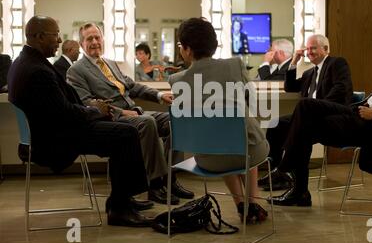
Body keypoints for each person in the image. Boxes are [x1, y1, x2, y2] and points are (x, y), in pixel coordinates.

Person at [7, 16, 153, 227]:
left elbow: (58, 108)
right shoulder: (37, 70)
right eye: (55, 35)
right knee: (125, 134)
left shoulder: (23, 62)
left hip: (50, 131)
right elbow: (64, 113)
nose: (59, 41)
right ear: (39, 37)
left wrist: (91, 110)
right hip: (54, 140)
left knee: (120, 131)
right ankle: (120, 208)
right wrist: (94, 111)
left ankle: (122, 199)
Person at [271, 28, 372, 207]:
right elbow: (291, 86)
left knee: (306, 108)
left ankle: (286, 172)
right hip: (356, 113)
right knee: (303, 125)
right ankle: (299, 190)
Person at [66, 23, 194, 204]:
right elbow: (86, 103)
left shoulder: (110, 63)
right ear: (81, 44)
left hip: (135, 113)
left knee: (177, 120)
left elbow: (132, 87)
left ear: (103, 39)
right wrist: (121, 112)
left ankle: (169, 179)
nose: (95, 42)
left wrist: (159, 95)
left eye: (97, 37)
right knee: (147, 122)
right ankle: (155, 185)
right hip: (113, 120)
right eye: (89, 39)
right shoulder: (76, 70)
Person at [169, 17, 269, 223]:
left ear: (187, 50)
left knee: (216, 138)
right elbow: (250, 101)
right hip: (250, 151)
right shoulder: (235, 64)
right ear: (213, 44)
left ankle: (241, 203)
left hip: (209, 160)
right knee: (240, 131)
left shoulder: (177, 80)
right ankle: (254, 201)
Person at [259, 34, 353, 191]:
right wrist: (294, 61)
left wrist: (319, 106)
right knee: (276, 124)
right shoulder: (310, 73)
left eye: (313, 48)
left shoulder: (337, 63)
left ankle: (284, 171)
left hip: (332, 115)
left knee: (299, 124)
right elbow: (290, 87)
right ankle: (278, 174)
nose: (310, 52)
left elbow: (341, 89)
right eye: (308, 49)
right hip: (309, 116)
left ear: (326, 49)